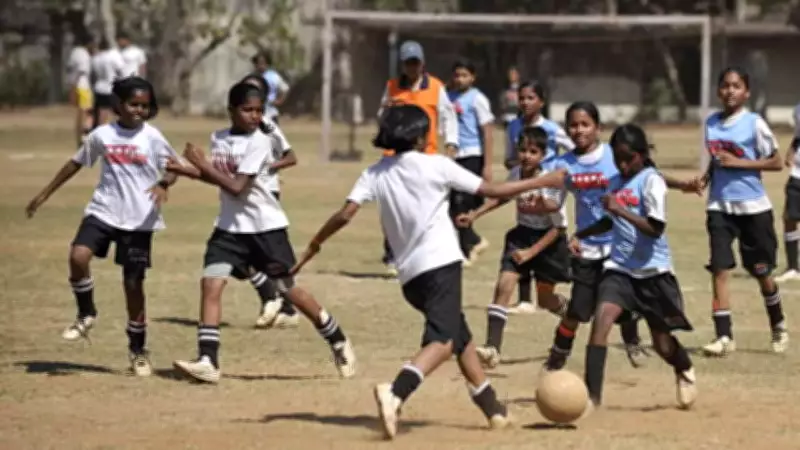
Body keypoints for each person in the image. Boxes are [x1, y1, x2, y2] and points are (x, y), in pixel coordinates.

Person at [291, 104, 568, 439]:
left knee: (460, 334)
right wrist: (545, 180)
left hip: (409, 277)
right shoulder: (437, 166)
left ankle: (494, 410)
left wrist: (315, 244)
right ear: (421, 136)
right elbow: (493, 191)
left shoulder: (375, 173)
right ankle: (396, 392)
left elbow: (345, 214)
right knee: (445, 338)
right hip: (441, 265)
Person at [167, 82, 355, 384]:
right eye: (247, 110)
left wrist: (200, 164)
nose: (254, 116)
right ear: (231, 111)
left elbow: (237, 186)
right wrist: (183, 169)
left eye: (258, 110)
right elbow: (220, 178)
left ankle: (338, 339)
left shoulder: (260, 142)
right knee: (211, 284)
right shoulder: (220, 138)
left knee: (289, 292)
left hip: (265, 230)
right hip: (229, 228)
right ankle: (208, 360)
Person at [25, 77, 177, 377]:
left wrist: (163, 183)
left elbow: (173, 167)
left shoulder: (153, 137)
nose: (139, 110)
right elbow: (75, 163)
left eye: (145, 106)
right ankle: (86, 313)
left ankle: (138, 350)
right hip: (104, 211)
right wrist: (44, 194)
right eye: (133, 104)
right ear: (118, 105)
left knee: (133, 285)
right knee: (78, 256)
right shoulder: (102, 135)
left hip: (139, 219)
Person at [506, 102, 647, 370]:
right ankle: (559, 352)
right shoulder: (564, 163)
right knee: (579, 310)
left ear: (598, 128)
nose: (579, 130)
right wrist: (532, 198)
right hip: (588, 247)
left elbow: (642, 180)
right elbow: (554, 203)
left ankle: (632, 339)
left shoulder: (613, 156)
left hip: (620, 245)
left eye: (585, 124)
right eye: (573, 125)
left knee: (619, 301)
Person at [672, 67, 788, 356]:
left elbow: (775, 162)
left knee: (762, 272)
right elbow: (716, 160)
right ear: (718, 91)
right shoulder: (711, 123)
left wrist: (740, 164)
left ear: (746, 92)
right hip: (719, 207)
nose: (730, 91)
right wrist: (705, 179)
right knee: (720, 268)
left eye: (736, 86)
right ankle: (724, 336)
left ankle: (778, 324)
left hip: (753, 209)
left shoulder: (754, 124)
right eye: (725, 86)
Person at [580, 123, 697, 411]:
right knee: (601, 321)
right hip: (620, 270)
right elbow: (611, 221)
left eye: (628, 157)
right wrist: (581, 235)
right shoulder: (615, 181)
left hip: (653, 274)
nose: (622, 164)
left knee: (662, 344)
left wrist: (620, 208)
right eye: (617, 157)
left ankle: (683, 368)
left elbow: (655, 228)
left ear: (642, 155)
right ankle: (591, 399)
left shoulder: (651, 180)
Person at [457, 126, 570, 369]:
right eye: (523, 150)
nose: (527, 156)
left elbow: (558, 229)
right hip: (521, 236)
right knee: (503, 286)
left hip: (548, 242)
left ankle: (570, 315)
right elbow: (502, 196)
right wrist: (475, 214)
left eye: (533, 151)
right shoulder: (517, 173)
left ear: (543, 155)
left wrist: (531, 253)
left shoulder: (550, 181)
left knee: (546, 300)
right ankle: (492, 349)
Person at [377, 40, 459, 276]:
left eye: (416, 63)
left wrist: (451, 144)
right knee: (393, 205)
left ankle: (424, 253)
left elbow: (447, 117)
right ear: (402, 65)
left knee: (425, 207)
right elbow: (381, 117)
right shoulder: (392, 86)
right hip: (395, 157)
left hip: (427, 154)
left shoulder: (435, 87)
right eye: (408, 63)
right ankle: (392, 252)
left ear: (423, 63)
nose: (412, 68)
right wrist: (386, 110)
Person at [504, 80, 575, 315]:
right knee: (523, 231)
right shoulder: (513, 126)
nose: (525, 102)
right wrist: (519, 166)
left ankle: (555, 292)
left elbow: (574, 150)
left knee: (550, 230)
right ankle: (525, 300)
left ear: (541, 102)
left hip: (549, 189)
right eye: (522, 98)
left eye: (530, 98)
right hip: (525, 182)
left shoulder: (553, 129)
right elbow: (508, 157)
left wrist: (558, 173)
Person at [239, 73, 299, 328]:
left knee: (261, 254)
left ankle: (282, 302)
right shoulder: (236, 128)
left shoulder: (267, 125)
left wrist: (267, 166)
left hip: (265, 192)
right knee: (241, 252)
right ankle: (275, 299)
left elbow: (291, 156)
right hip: (241, 193)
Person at [447, 59, 493, 264]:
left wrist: (488, 164)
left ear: (472, 77)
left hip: (472, 155)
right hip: (455, 156)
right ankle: (470, 244)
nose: (460, 79)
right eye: (457, 75)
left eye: (464, 75)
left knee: (462, 203)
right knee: (452, 205)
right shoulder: (449, 96)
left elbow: (488, 131)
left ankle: (471, 244)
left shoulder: (477, 99)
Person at [776, 102, 800, 282]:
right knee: (789, 218)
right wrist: (791, 151)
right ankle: (793, 268)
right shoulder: (798, 110)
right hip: (797, 174)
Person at [91, 38, 127, 127]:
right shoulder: (112, 56)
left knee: (101, 113)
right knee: (117, 113)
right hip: (110, 88)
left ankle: (100, 132)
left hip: (99, 87)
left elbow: (93, 74)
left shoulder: (96, 57)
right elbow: (121, 70)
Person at [67, 34, 95, 146]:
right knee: (88, 112)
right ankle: (84, 138)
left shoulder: (74, 52)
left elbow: (70, 69)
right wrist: (74, 86)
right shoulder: (83, 54)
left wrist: (71, 86)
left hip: (77, 84)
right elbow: (81, 71)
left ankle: (80, 138)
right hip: (83, 86)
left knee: (81, 114)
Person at [251, 51, 290, 123]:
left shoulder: (273, 76)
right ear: (255, 64)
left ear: (267, 63)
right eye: (258, 63)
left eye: (263, 63)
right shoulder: (251, 77)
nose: (261, 65)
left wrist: (279, 101)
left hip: (271, 113)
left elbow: (284, 89)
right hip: (254, 114)